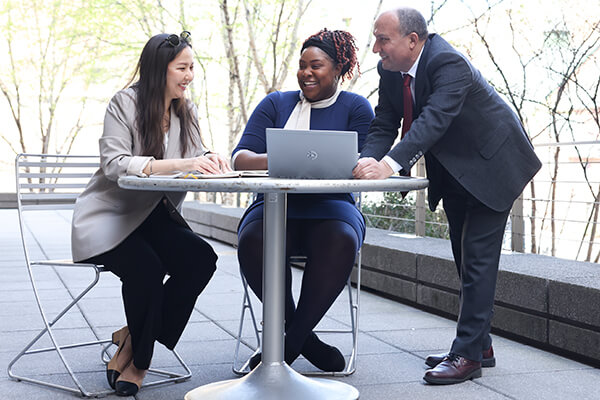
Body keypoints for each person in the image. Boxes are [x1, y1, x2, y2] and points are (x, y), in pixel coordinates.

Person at [353, 8, 542, 385]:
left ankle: (468, 355)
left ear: (412, 40)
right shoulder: (389, 72)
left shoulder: (448, 62)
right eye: (375, 39)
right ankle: (480, 345)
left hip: (494, 165)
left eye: (383, 39)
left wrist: (389, 166)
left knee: (477, 260)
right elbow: (385, 122)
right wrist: (368, 159)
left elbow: (433, 120)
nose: (376, 48)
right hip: (456, 171)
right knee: (462, 256)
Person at [71, 31, 231, 396]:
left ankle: (132, 338)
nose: (190, 75)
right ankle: (140, 363)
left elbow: (197, 154)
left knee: (200, 259)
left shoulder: (185, 110)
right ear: (160, 69)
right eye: (183, 68)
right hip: (108, 217)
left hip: (152, 217)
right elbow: (114, 165)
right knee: (147, 269)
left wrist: (211, 157)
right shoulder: (123, 103)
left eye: (192, 68)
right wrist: (184, 162)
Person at [232, 29, 374, 372]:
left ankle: (285, 347)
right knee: (253, 241)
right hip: (272, 205)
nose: (306, 72)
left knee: (340, 239)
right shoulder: (275, 104)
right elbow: (240, 158)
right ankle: (303, 340)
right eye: (301, 66)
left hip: (334, 205)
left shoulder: (356, 107)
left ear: (339, 68)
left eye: (316, 65)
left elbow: (368, 159)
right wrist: (281, 156)